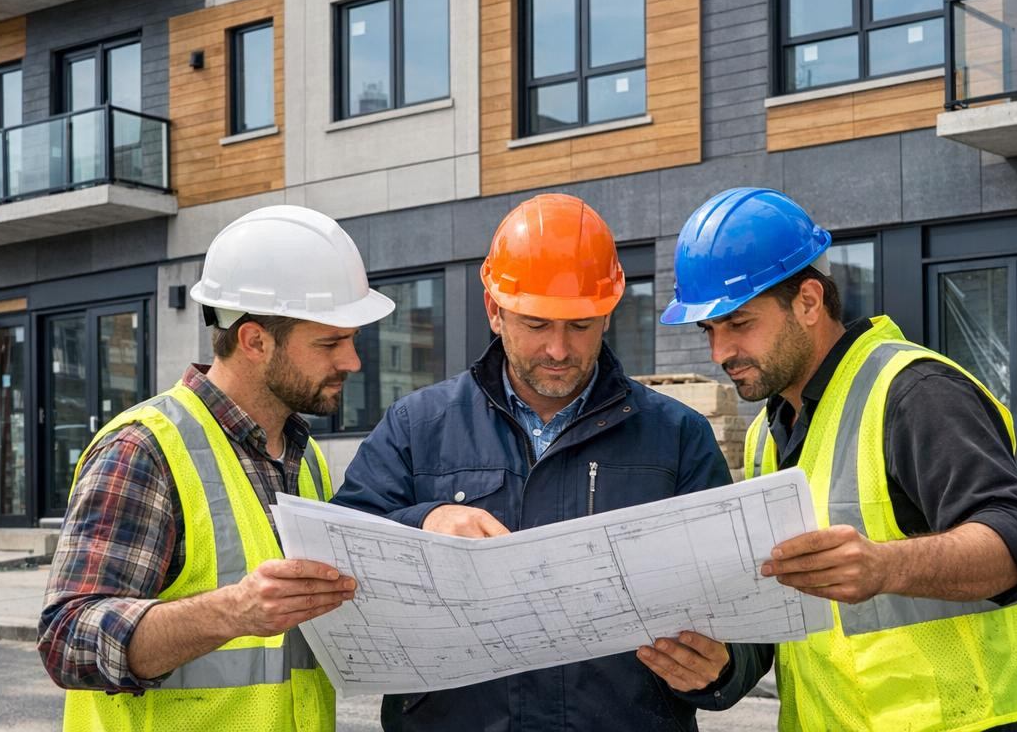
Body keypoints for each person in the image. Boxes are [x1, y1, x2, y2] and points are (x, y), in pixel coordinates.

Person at [333, 193, 763, 730]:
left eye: (580, 325)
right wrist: (424, 521)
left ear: (607, 314)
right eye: (537, 325)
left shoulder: (678, 438)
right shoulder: (416, 427)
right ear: (495, 311)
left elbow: (749, 608)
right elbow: (339, 552)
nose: (559, 350)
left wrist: (722, 669)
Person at [660, 188, 1017, 732]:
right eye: (709, 330)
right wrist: (719, 669)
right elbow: (785, 618)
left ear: (807, 302)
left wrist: (886, 566)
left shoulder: (914, 393)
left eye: (739, 323)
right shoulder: (765, 437)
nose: (719, 352)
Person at [39, 205, 395, 731]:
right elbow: (68, 641)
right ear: (254, 341)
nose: (352, 361)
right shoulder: (145, 450)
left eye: (352, 340)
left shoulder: (305, 457)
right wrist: (234, 611)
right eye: (330, 342)